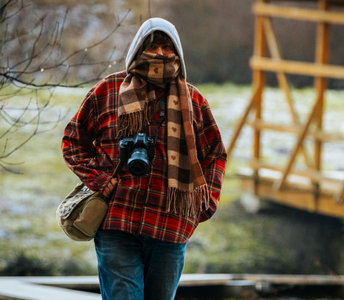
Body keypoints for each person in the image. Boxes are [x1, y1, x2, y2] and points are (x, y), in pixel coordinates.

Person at [61, 18, 227, 300]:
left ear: (178, 52)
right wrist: (99, 180)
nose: (160, 54)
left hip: (171, 224)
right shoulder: (108, 91)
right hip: (118, 221)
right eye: (152, 46)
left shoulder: (194, 101)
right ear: (137, 49)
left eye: (166, 47)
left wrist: (205, 202)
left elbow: (215, 154)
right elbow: (73, 141)